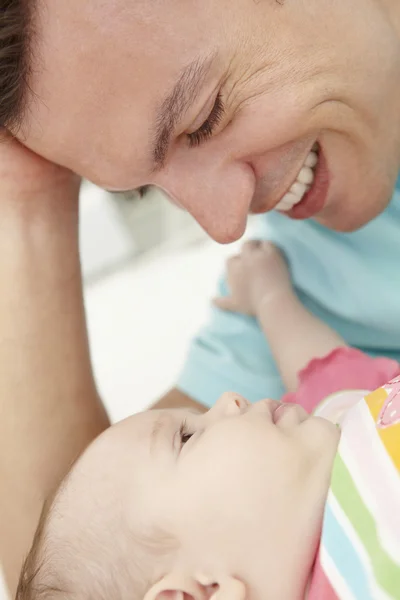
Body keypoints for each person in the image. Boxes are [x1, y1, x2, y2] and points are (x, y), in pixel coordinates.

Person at [2, 0, 400, 594]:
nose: (225, 225)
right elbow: (71, 548)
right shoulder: (308, 267)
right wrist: (25, 198)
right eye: (146, 188)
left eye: (205, 119)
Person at [15, 240, 400, 600]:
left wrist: (269, 295)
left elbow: (318, 364)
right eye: (185, 437)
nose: (228, 400)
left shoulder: (332, 429)